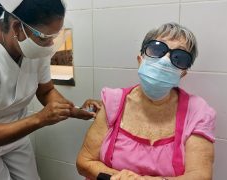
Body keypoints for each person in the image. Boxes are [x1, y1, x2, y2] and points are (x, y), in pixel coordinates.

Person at [0, 0, 100, 180]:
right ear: (16, 27)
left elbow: (45, 91)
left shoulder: (35, 45)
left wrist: (74, 110)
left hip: (15, 128)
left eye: (54, 36)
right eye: (45, 38)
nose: (50, 44)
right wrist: (39, 119)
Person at [76, 23, 216, 180]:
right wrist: (120, 178)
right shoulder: (112, 102)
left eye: (179, 57)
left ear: (182, 73)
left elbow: (201, 176)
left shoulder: (197, 112)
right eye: (157, 49)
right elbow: (84, 162)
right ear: (140, 59)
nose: (165, 61)